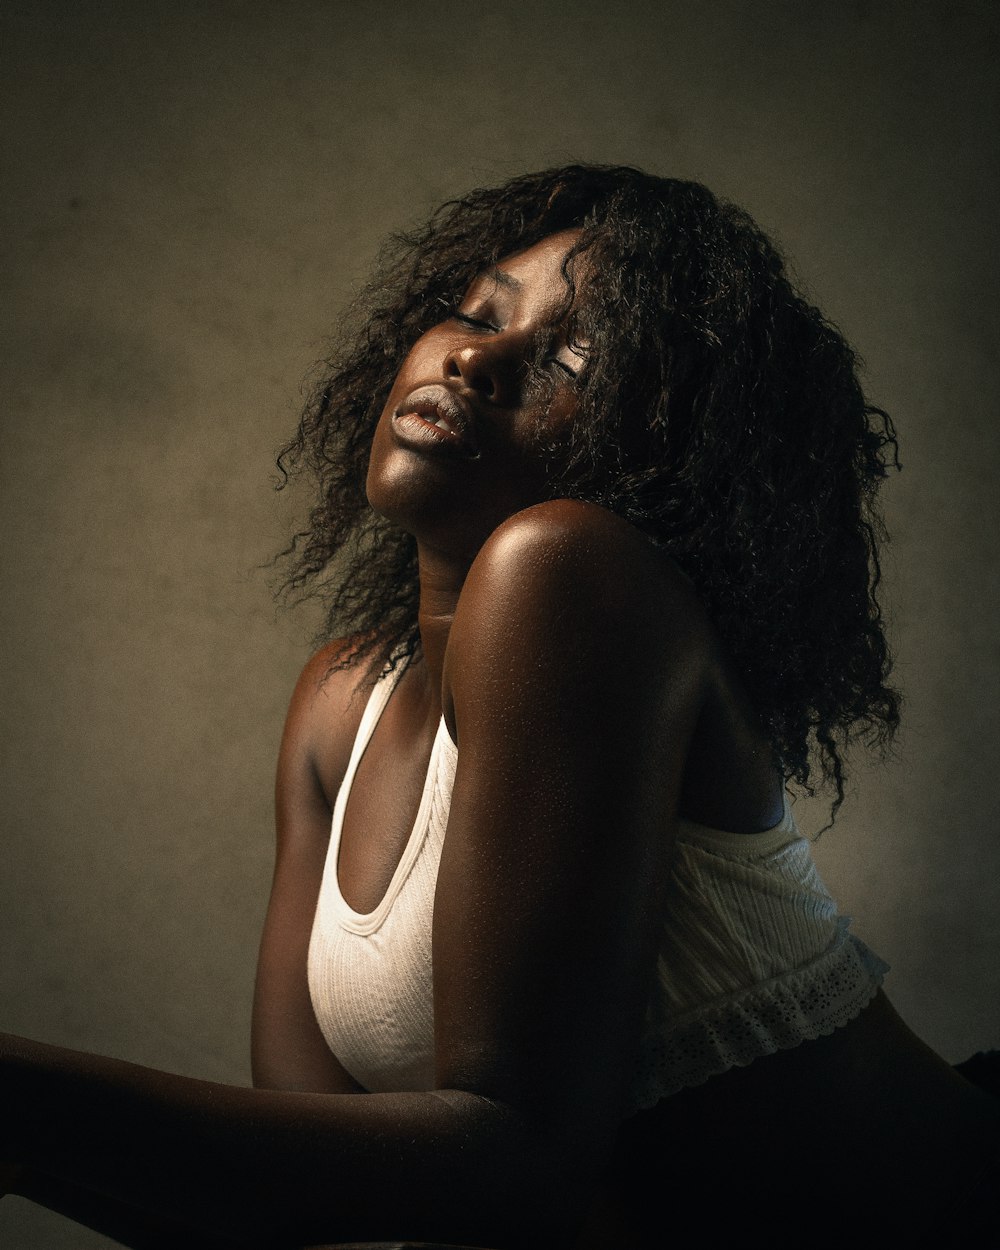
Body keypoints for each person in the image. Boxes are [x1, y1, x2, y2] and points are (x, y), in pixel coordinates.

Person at [2, 164, 997, 1249]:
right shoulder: (339, 704)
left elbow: (515, 1159)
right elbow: (304, 1219)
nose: (474, 355)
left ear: (658, 453)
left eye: (570, 358)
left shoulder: (570, 573)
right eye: (475, 312)